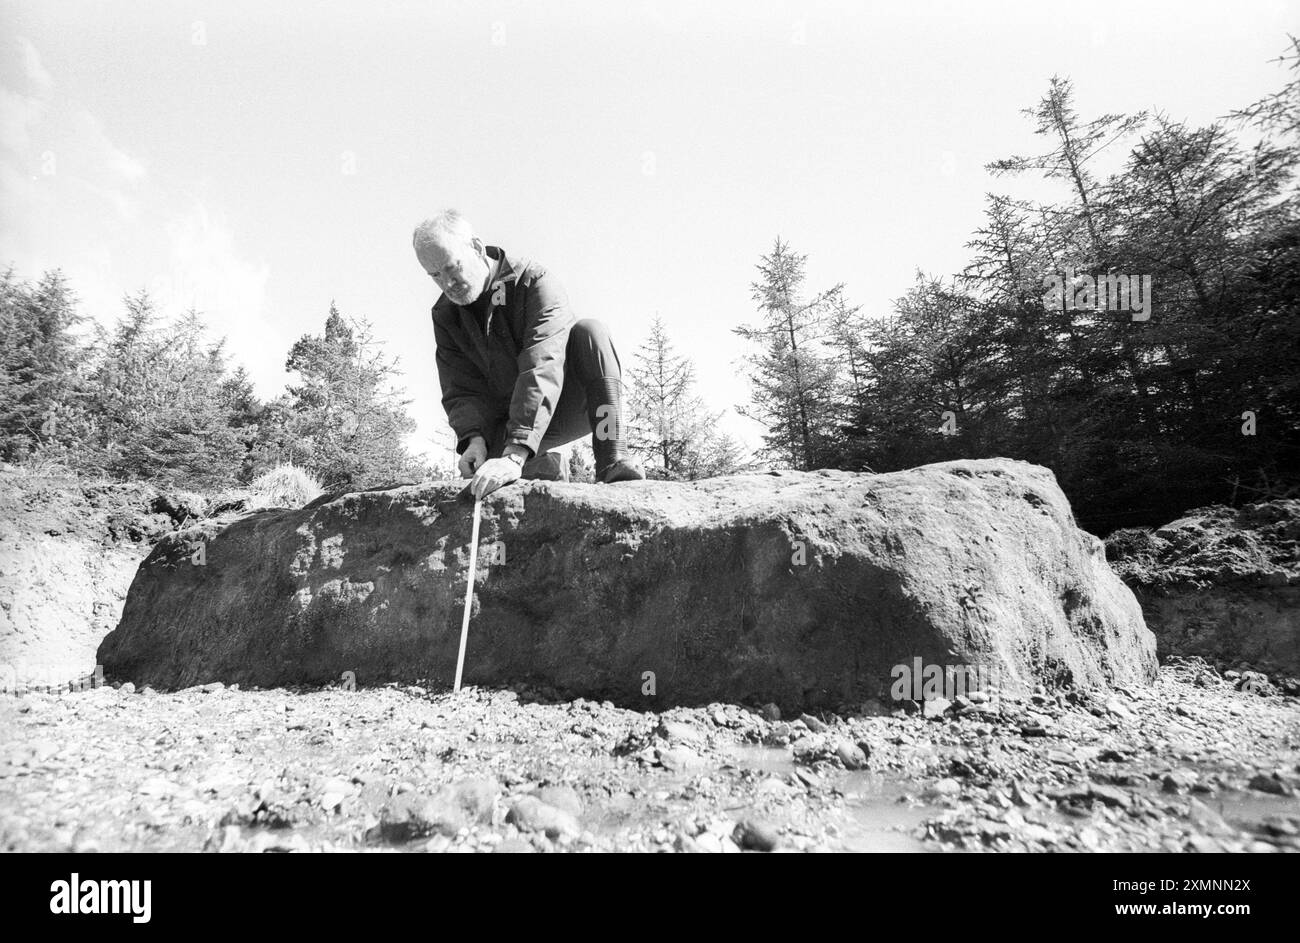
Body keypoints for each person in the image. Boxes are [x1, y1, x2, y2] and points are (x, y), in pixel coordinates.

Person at [414, 211, 645, 498]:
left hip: (566, 405)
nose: (447, 283)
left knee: (591, 332)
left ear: (475, 247)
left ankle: (613, 460)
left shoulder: (535, 282)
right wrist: (473, 439)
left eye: (452, 268)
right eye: (435, 275)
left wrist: (515, 454)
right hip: (505, 426)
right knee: (505, 471)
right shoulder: (446, 314)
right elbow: (460, 388)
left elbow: (541, 367)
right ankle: (540, 464)